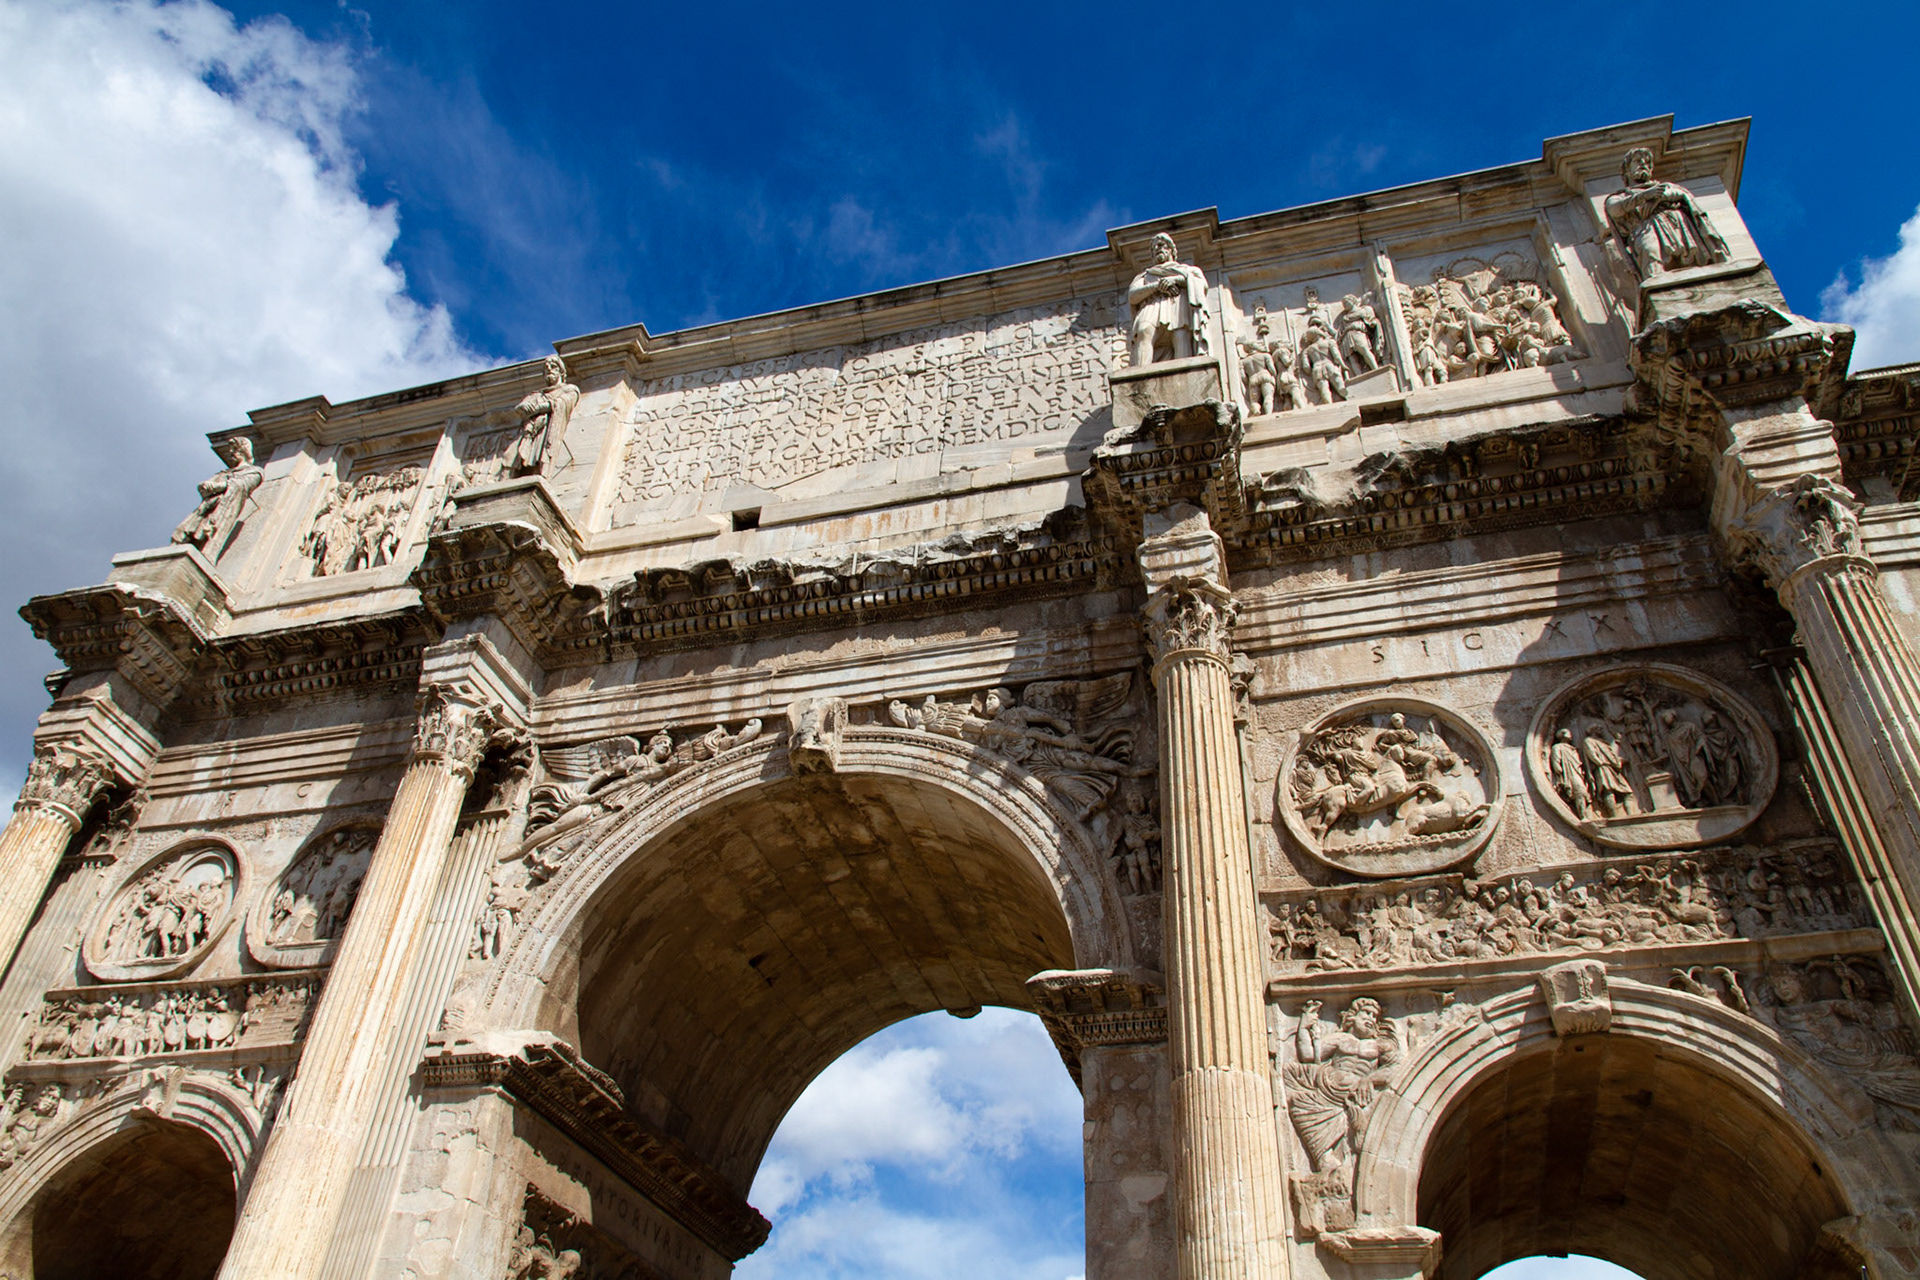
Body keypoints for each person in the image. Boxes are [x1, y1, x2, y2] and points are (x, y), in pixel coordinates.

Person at [1603, 147, 1731, 280]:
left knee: (1697, 258)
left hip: (1679, 225)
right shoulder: (1621, 196)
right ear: (1626, 171)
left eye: (1647, 162)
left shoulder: (1666, 186)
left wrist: (1658, 197)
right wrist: (1645, 196)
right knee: (1649, 251)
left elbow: (1682, 194)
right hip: (1645, 228)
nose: (1643, 164)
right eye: (1637, 161)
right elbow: (1614, 209)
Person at [171, 436, 263, 561]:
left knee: (208, 535)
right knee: (183, 531)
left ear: (243, 452)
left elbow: (242, 485)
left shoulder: (255, 472)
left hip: (223, 508)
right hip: (206, 507)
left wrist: (219, 486)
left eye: (234, 450)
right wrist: (204, 486)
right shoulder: (224, 472)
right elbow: (205, 485)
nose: (231, 453)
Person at [1127, 233, 1210, 366]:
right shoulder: (1145, 275)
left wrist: (1175, 279)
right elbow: (1132, 296)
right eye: (1154, 248)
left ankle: (1185, 376)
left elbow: (1202, 285)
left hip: (1177, 305)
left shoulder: (1187, 270)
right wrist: (1157, 286)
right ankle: (1141, 374)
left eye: (1161, 245)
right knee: (1144, 331)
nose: (1157, 249)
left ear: (1171, 249)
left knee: (1181, 336)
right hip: (1152, 305)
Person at [509, 355, 581, 476]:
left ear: (561, 372)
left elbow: (562, 402)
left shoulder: (569, 389)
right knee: (511, 455)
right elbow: (520, 407)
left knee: (543, 454)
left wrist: (538, 408)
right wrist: (523, 407)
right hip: (530, 429)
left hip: (549, 430)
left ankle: (541, 472)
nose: (549, 370)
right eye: (546, 368)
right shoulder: (538, 393)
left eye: (553, 367)